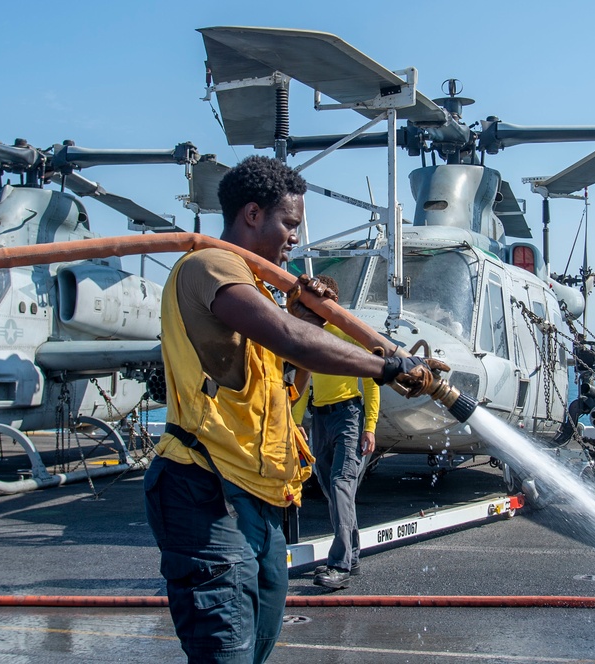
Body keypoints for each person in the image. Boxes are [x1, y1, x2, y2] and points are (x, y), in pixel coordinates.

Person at [143, 154, 447, 664]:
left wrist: (301, 315)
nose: (293, 237)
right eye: (288, 223)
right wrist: (387, 364)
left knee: (256, 647)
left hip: (259, 497)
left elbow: (279, 385)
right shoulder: (210, 264)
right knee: (226, 654)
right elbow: (290, 340)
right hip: (205, 487)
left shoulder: (259, 289)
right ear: (253, 214)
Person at [290, 275, 379, 590]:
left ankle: (339, 564)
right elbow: (303, 383)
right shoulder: (309, 334)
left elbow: (370, 380)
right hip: (321, 419)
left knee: (341, 484)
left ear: (332, 302)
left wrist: (369, 427)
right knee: (331, 489)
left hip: (348, 416)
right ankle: (352, 556)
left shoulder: (348, 331)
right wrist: (297, 422)